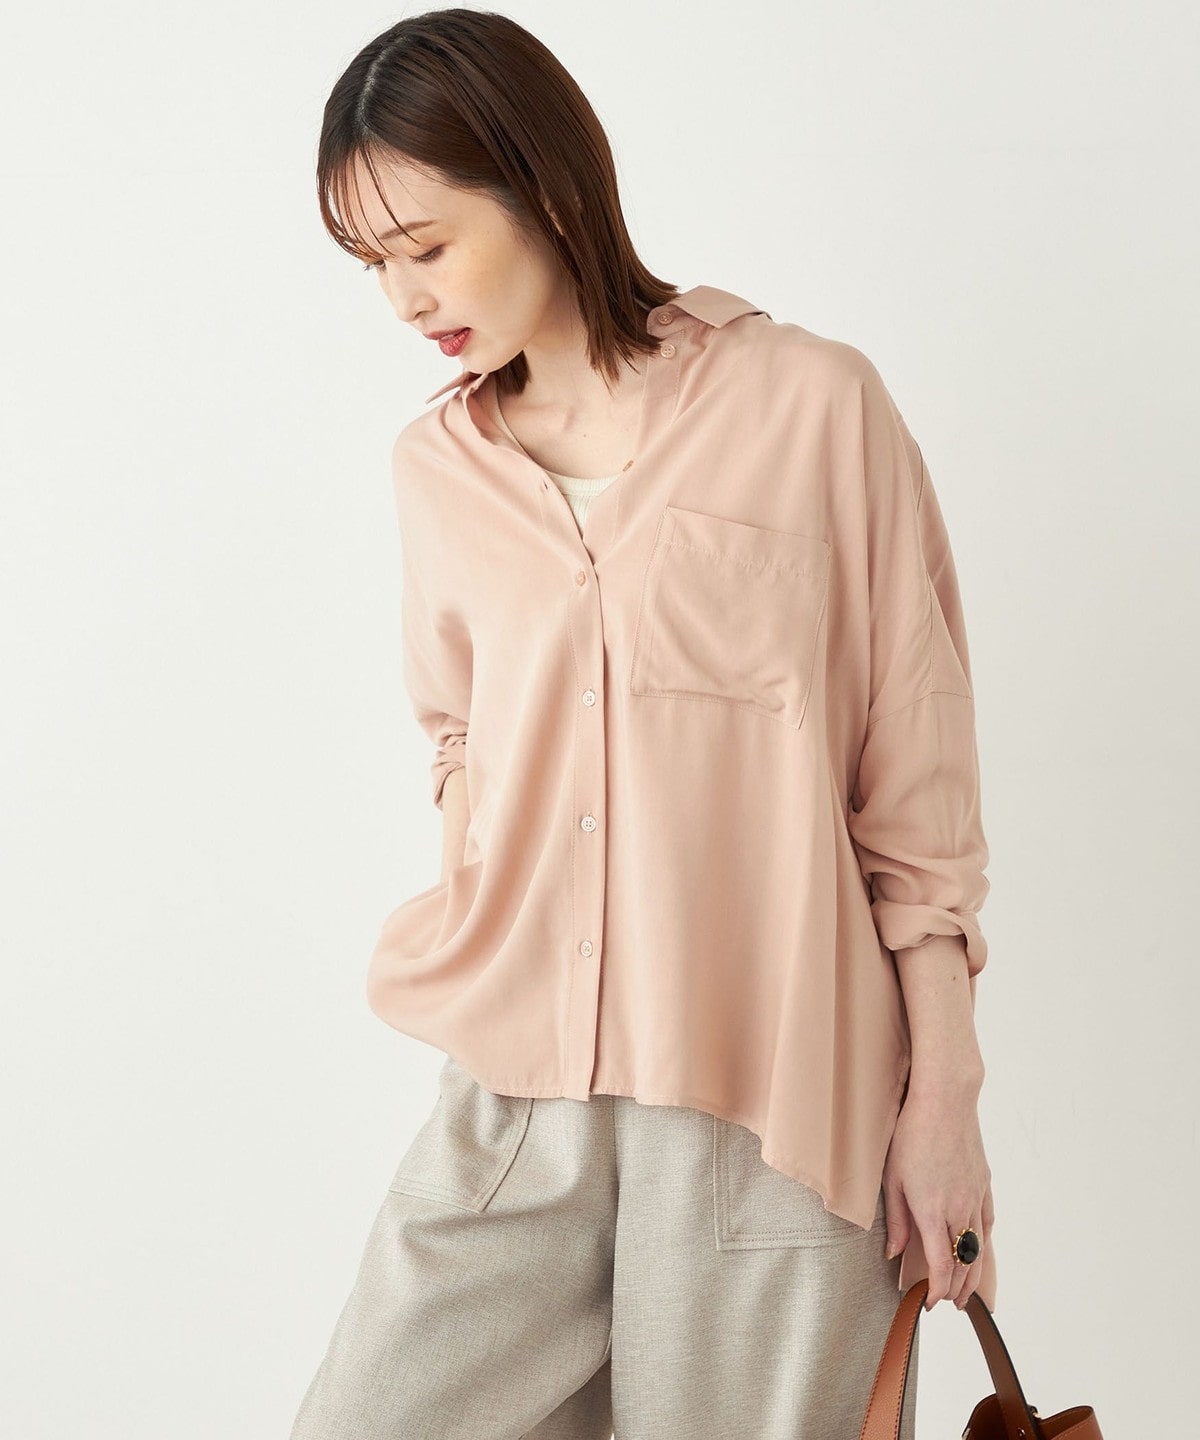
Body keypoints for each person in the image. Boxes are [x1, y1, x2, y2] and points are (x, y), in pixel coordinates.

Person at [290, 9, 996, 1439]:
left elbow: (914, 781)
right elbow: (460, 731)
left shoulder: (811, 403)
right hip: (518, 1094)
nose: (404, 298)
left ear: (542, 185)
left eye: (425, 245)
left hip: (778, 1108)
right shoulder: (437, 467)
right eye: (373, 265)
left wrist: (946, 1099)